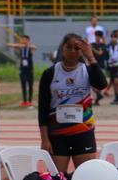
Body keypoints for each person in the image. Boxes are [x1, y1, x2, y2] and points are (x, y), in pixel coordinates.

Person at [38, 34, 107, 172]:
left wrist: (91, 57)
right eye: (68, 47)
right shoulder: (50, 73)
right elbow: (42, 108)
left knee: (87, 177)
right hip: (57, 135)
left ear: (82, 50)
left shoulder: (87, 70)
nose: (72, 51)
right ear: (62, 49)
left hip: (83, 132)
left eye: (77, 48)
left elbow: (101, 84)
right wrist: (44, 139)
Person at [7, 35, 36, 107]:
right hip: (23, 70)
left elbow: (34, 47)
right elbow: (9, 45)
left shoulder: (30, 48)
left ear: (28, 40)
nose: (23, 41)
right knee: (23, 86)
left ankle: (30, 101)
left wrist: (27, 45)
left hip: (29, 70)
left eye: (25, 40)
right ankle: (24, 101)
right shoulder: (20, 48)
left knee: (30, 86)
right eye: (22, 40)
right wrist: (21, 45)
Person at [105, 30, 118, 104]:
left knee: (116, 81)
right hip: (111, 66)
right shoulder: (108, 46)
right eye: (112, 37)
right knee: (114, 82)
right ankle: (116, 98)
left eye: (115, 37)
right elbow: (106, 56)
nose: (113, 39)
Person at [91, 30, 108, 103]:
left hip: (101, 65)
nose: (97, 37)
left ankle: (98, 98)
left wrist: (92, 49)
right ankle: (98, 95)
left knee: (100, 82)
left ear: (101, 37)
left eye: (98, 36)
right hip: (93, 65)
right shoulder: (92, 44)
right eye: (96, 36)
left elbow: (100, 53)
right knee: (92, 82)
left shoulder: (103, 45)